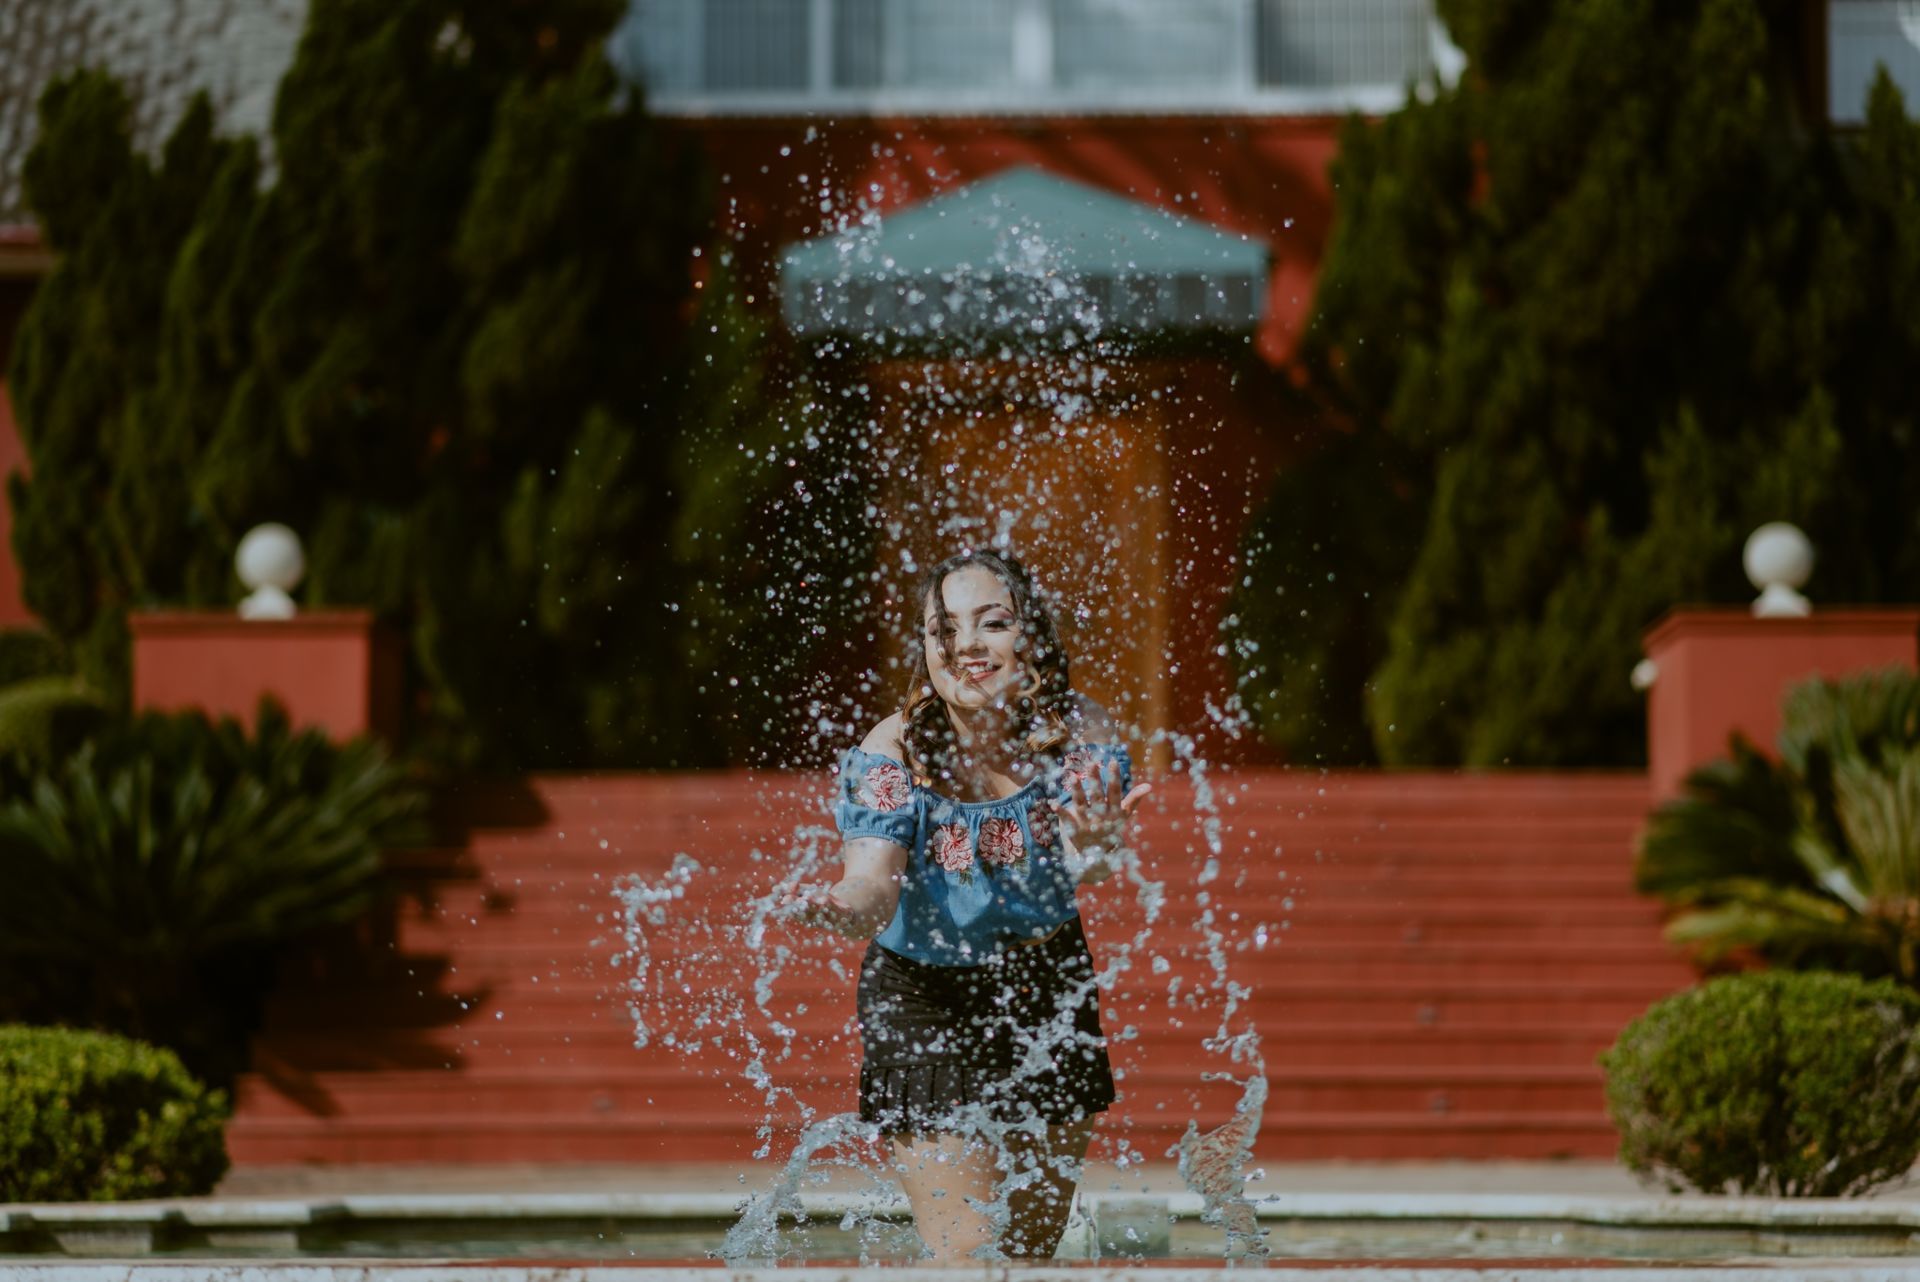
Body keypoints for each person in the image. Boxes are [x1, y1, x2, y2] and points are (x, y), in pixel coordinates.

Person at [781, 547, 1151, 1263]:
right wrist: (841, 907)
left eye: (993, 623)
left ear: (1032, 638)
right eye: (942, 630)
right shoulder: (892, 750)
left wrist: (1101, 844)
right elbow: (872, 882)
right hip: (924, 998)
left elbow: (1091, 865)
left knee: (1030, 1255)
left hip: (1048, 992)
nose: (966, 647)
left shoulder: (1078, 731)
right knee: (971, 1255)